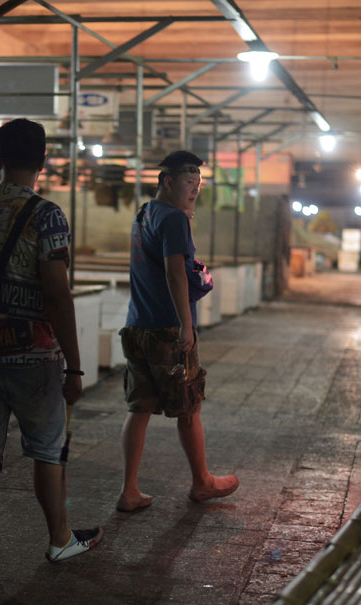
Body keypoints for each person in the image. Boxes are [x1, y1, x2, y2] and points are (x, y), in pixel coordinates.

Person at [0, 118, 102, 588]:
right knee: (47, 451)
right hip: (34, 354)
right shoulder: (47, 213)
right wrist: (74, 364)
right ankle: (59, 538)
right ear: (42, 161)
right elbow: (57, 292)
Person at [116, 150, 240, 514]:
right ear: (167, 182)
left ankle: (129, 491)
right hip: (168, 329)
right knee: (188, 406)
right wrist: (187, 325)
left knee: (139, 408)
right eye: (189, 183)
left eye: (199, 185)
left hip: (137, 326)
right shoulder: (173, 220)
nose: (195, 190)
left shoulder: (145, 213)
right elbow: (174, 273)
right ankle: (202, 482)